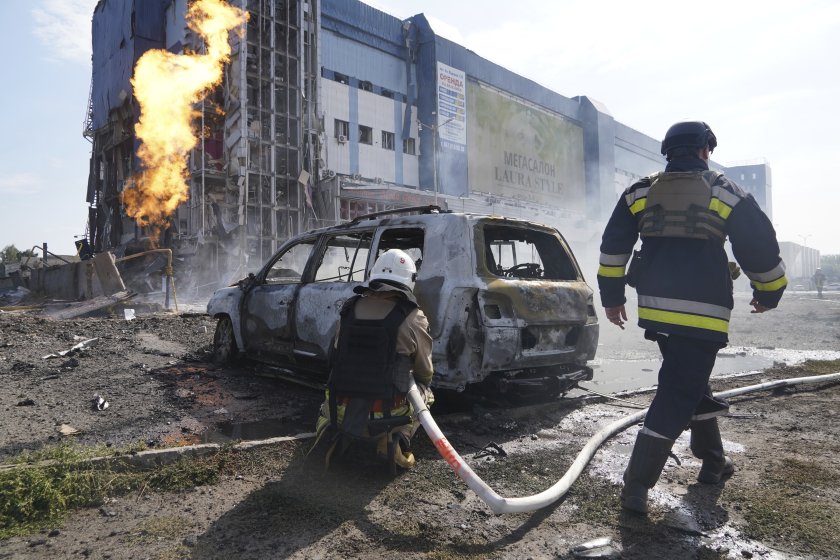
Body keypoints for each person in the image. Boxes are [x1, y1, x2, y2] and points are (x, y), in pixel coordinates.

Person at [597, 121, 787, 514]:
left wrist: (613, 298)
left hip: (656, 310)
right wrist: (769, 291)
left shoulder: (639, 190)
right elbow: (759, 245)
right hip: (705, 312)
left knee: (689, 381)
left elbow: (614, 247)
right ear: (705, 150)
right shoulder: (724, 189)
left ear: (668, 151)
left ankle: (714, 463)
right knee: (678, 390)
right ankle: (637, 484)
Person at [313, 249, 434, 470]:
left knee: (326, 406)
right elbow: (425, 370)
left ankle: (329, 433)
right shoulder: (413, 316)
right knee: (426, 394)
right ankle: (393, 440)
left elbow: (335, 354)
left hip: (339, 406)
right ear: (410, 280)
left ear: (374, 274)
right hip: (387, 412)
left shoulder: (348, 309)